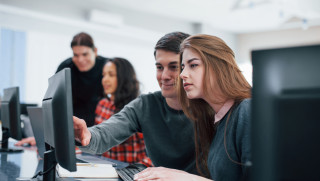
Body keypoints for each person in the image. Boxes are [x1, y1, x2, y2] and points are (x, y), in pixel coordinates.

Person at [73, 32, 198, 173]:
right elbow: (105, 133)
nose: (164, 76)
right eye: (159, 67)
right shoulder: (145, 105)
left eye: (173, 67)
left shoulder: (209, 108)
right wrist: (84, 135)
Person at [134, 34, 252, 181]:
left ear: (218, 67)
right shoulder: (219, 120)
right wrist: (180, 175)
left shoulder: (246, 111)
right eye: (182, 67)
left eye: (193, 65)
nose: (182, 74)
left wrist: (185, 179)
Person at [15, 32, 108, 146]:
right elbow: (54, 103)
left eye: (85, 54)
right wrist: (45, 137)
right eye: (76, 55)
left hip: (99, 131)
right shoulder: (65, 67)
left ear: (95, 51)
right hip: (71, 131)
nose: (80, 59)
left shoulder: (107, 68)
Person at [95, 57, 152, 166]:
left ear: (124, 78)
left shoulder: (138, 108)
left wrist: (136, 170)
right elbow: (99, 143)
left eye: (111, 75)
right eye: (104, 75)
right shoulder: (102, 104)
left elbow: (153, 154)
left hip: (130, 171)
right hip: (106, 169)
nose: (105, 80)